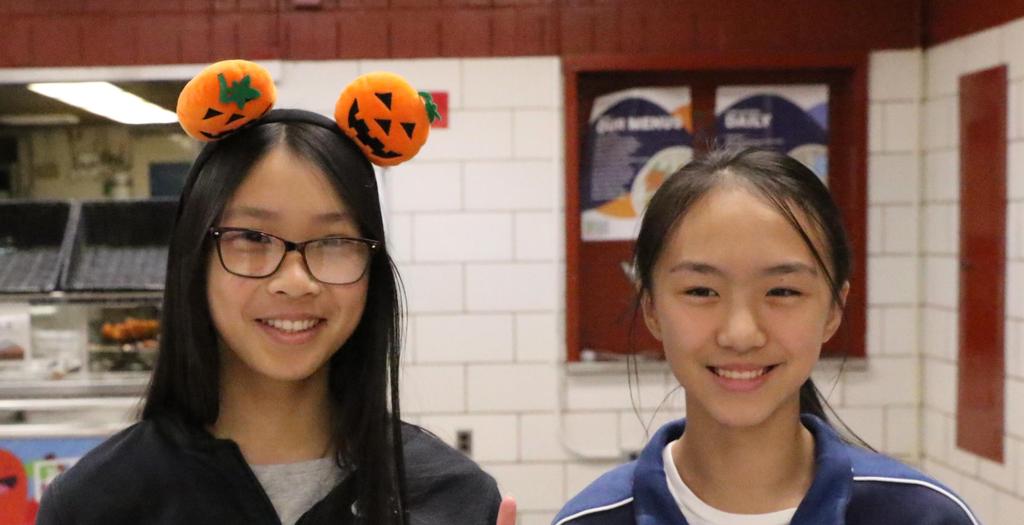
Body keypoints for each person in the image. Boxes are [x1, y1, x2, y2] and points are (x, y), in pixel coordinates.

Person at [36, 62, 516, 525]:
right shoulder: (98, 503)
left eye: (333, 242)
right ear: (195, 258)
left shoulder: (452, 498)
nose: (295, 280)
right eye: (253, 238)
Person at [554, 148, 979, 525]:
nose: (741, 334)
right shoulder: (590, 519)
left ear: (833, 308)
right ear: (651, 308)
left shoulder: (923, 515)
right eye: (701, 291)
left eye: (782, 291)